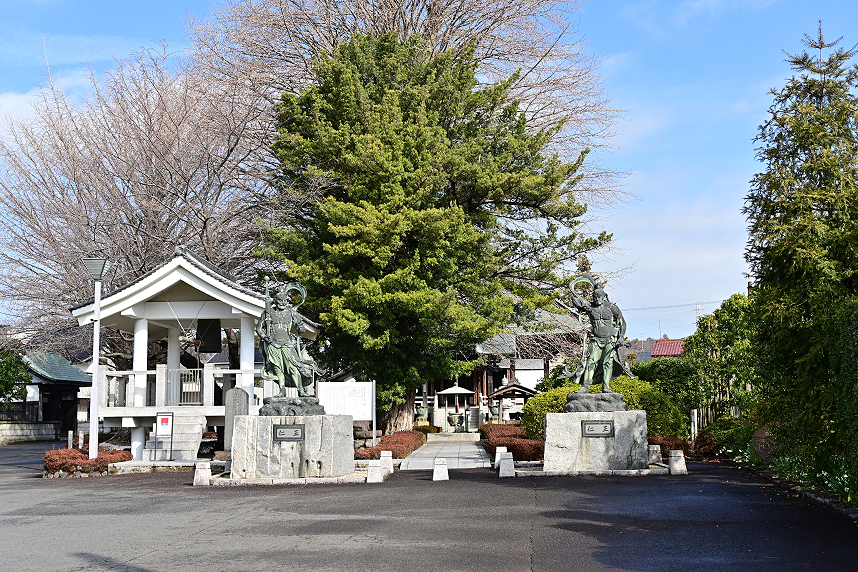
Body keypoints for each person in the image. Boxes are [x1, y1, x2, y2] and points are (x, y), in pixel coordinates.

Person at [256, 284, 321, 397]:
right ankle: (282, 390)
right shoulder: (268, 312)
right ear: (275, 300)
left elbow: (300, 326)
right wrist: (265, 337)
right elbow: (259, 328)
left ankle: (300, 390)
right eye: (279, 300)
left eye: (284, 300)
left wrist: (300, 328)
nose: (282, 302)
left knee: (293, 367)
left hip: (287, 344)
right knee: (278, 369)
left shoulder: (291, 312)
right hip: (272, 344)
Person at [569, 282, 627, 393]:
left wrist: (621, 337)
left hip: (610, 339)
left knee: (608, 362)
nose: (597, 299)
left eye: (599, 297)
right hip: (595, 339)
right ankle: (585, 386)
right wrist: (574, 293)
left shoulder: (612, 307)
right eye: (594, 297)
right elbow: (576, 301)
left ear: (604, 297)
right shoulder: (590, 306)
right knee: (591, 361)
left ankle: (606, 386)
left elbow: (622, 323)